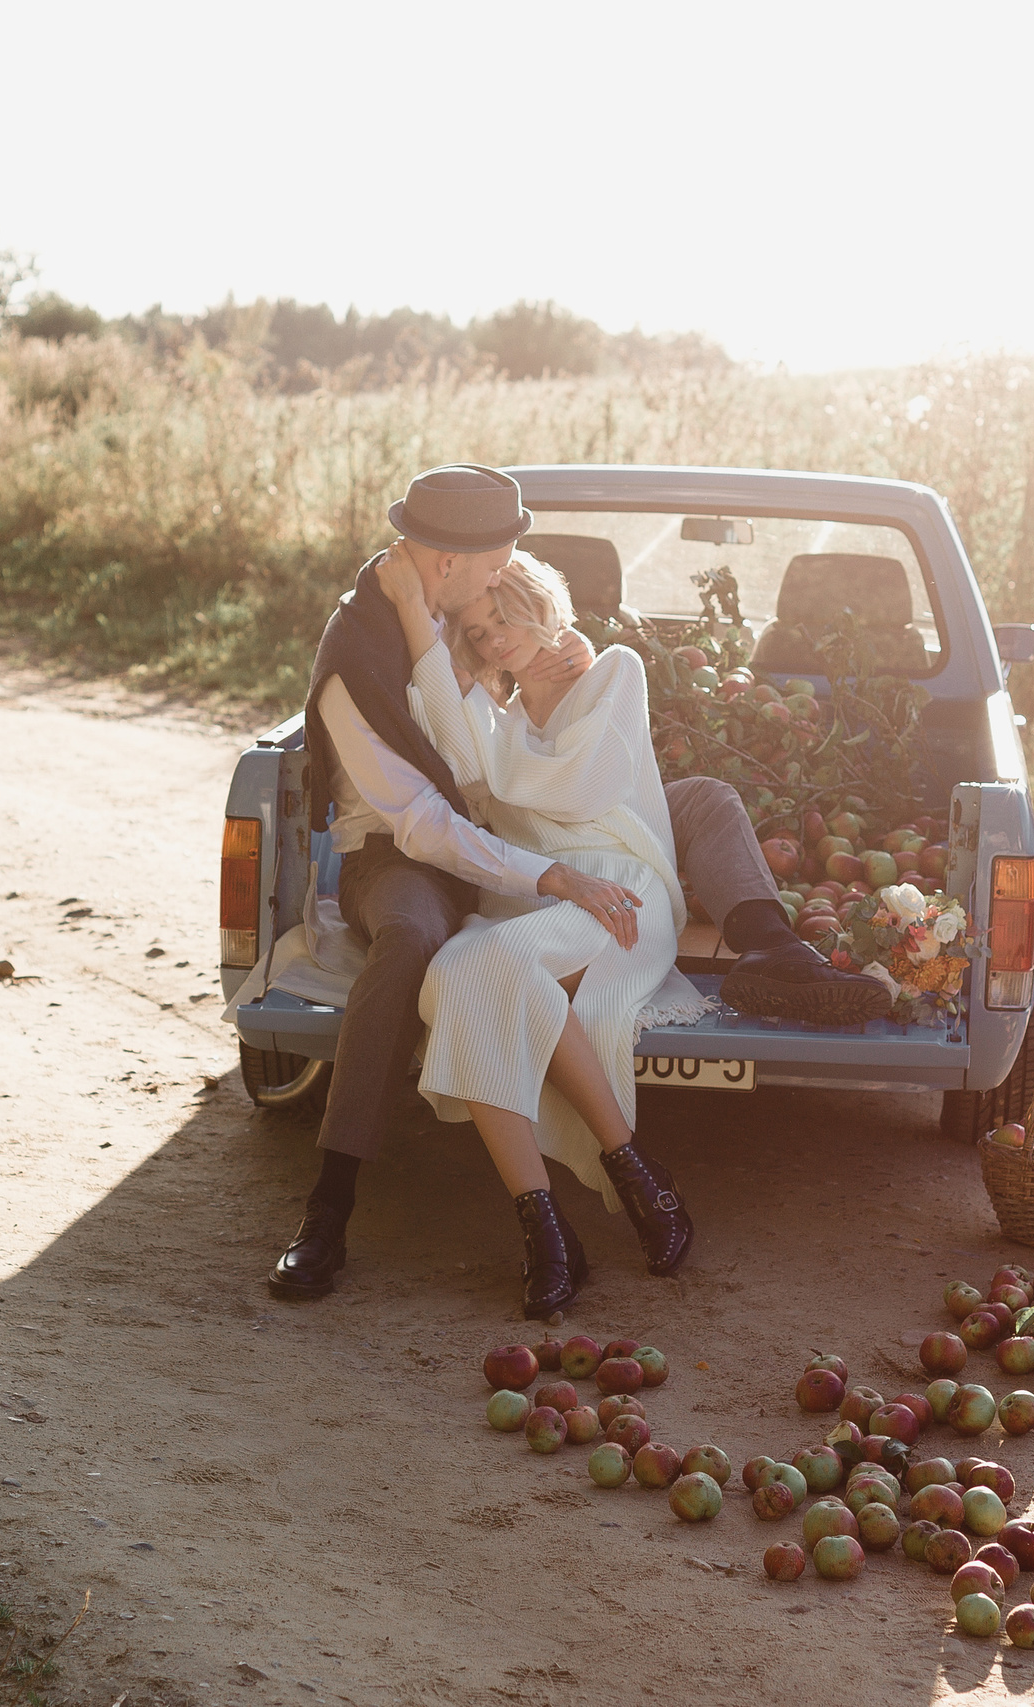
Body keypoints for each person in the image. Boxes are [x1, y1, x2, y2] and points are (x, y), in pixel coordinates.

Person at [270, 464, 889, 1302]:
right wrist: (545, 861)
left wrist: (534, 685)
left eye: (508, 607)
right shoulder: (386, 663)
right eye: (491, 582)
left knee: (684, 813)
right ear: (450, 565)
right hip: (464, 863)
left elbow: (537, 781)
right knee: (441, 959)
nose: (492, 625)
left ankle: (771, 963)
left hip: (576, 866)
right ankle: (491, 1209)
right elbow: (439, 803)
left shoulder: (595, 666)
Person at [393, 551, 689, 1317]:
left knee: (489, 964)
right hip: (531, 896)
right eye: (476, 632)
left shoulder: (613, 671)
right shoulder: (493, 717)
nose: (493, 643)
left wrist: (512, 738)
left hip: (621, 887)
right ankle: (554, 1220)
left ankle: (625, 1179)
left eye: (502, 621)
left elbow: (584, 784)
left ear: (536, 601)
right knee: (459, 972)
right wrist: (442, 643)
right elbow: (456, 755)